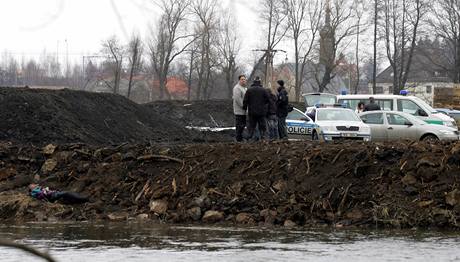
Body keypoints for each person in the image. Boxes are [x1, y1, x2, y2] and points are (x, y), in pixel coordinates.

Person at [243, 77, 270, 141]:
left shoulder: (249, 90)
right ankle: (263, 138)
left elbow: (245, 100)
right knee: (262, 127)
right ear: (260, 83)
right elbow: (268, 99)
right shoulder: (263, 90)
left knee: (251, 126)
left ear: (253, 82)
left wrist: (244, 108)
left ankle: (249, 139)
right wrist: (263, 104)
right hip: (261, 112)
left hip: (252, 112)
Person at [232, 75, 248, 142]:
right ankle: (238, 139)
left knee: (242, 125)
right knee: (239, 125)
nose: (243, 80)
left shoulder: (244, 88)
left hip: (243, 111)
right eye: (242, 79)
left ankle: (240, 138)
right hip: (239, 111)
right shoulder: (237, 88)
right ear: (239, 80)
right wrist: (244, 106)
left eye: (244, 79)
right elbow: (238, 99)